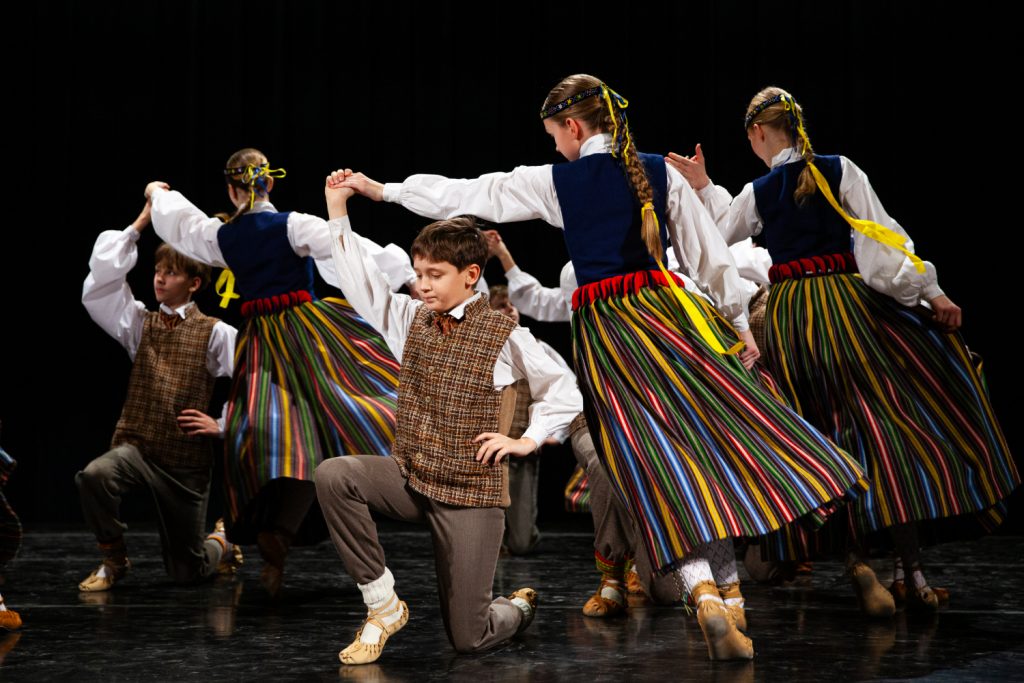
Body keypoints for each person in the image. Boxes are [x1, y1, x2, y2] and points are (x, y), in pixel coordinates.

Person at [335, 74, 869, 661]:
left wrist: (385, 191)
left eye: (554, 136)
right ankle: (731, 595)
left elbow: (473, 192)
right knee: (704, 450)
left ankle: (706, 597)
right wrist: (740, 322)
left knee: (654, 465)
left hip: (610, 337)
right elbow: (709, 257)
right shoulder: (658, 174)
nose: (555, 147)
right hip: (670, 319)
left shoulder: (556, 181)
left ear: (572, 126)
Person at [668, 85, 1019, 616]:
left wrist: (703, 188)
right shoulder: (839, 169)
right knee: (887, 432)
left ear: (757, 133)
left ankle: (859, 563)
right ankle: (911, 572)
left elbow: (714, 245)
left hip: (792, 319)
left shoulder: (759, 190)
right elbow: (885, 239)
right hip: (848, 309)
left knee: (826, 439)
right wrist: (931, 292)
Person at [317, 174, 582, 664]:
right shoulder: (409, 317)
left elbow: (562, 389)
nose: (422, 284)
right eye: (419, 272)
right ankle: (382, 605)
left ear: (470, 274)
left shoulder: (505, 334)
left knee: (469, 637)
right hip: (412, 478)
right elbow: (360, 281)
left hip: (469, 493)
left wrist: (527, 440)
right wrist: (338, 211)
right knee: (336, 475)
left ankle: (516, 610)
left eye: (434, 274)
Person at [146, 149, 401, 596]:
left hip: (262, 345)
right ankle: (284, 532)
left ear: (232, 190)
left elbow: (184, 225)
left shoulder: (222, 236)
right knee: (337, 422)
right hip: (308, 338)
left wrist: (156, 194)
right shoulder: (293, 224)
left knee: (277, 441)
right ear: (270, 182)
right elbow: (351, 250)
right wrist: (404, 275)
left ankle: (277, 534)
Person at [78, 200, 239, 592]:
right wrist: (140, 223)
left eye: (171, 273)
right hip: (138, 447)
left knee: (188, 572)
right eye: (157, 271)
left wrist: (223, 424)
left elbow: (257, 378)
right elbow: (99, 288)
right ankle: (114, 558)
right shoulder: (139, 323)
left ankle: (222, 542)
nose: (160, 280)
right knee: (94, 475)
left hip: (183, 462)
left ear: (194, 283)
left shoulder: (215, 332)